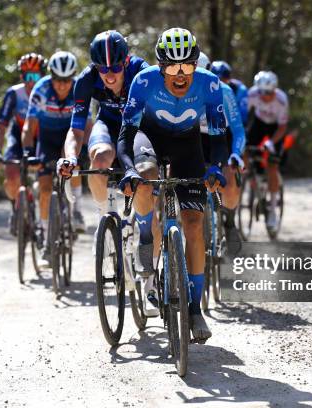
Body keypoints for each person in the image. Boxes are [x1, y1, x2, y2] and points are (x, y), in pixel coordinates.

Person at [117, 28, 228, 341]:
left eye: (187, 66)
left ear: (196, 64)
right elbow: (126, 135)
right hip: (149, 138)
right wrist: (128, 169)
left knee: (194, 223)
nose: (180, 75)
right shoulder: (143, 82)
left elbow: (219, 137)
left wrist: (216, 166)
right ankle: (143, 233)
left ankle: (195, 310)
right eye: (172, 68)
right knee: (146, 173)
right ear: (160, 67)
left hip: (187, 145)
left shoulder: (210, 84)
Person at [58, 31, 156, 278]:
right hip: (108, 125)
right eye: (103, 69)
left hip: (138, 128)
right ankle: (105, 219)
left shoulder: (141, 71)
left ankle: (147, 245)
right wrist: (70, 156)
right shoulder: (86, 79)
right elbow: (76, 129)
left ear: (125, 61)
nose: (109, 75)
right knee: (100, 158)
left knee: (145, 176)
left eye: (114, 67)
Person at [21, 51, 78, 254]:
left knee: (74, 161)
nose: (62, 85)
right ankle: (45, 235)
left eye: (66, 80)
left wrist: (85, 150)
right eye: (57, 80)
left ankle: (76, 209)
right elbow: (29, 126)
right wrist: (28, 152)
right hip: (46, 139)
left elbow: (87, 124)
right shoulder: (41, 89)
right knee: (45, 190)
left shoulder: (79, 88)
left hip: (69, 136)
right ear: (50, 77)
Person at [0, 53, 46, 235]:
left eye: (36, 76)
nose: (31, 81)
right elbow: (1, 125)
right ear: (22, 76)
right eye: (27, 76)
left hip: (42, 136)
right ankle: (17, 206)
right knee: (12, 175)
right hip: (18, 136)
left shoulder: (49, 92)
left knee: (47, 178)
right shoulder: (14, 94)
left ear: (43, 76)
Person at [198, 52, 245, 246]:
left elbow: (238, 130)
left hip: (222, 138)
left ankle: (229, 221)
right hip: (196, 138)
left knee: (230, 179)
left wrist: (236, 154)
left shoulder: (224, 91)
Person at [245, 70, 289, 232]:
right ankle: (248, 176)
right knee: (244, 147)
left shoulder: (281, 100)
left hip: (276, 128)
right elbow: (243, 116)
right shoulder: (252, 94)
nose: (265, 96)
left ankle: (272, 208)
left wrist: (271, 142)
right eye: (262, 92)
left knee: (272, 166)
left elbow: (283, 127)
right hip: (259, 123)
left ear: (274, 90)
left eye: (269, 93)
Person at [211, 60, 249, 125]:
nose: (219, 82)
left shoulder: (240, 89)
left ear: (228, 77)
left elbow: (242, 116)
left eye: (222, 78)